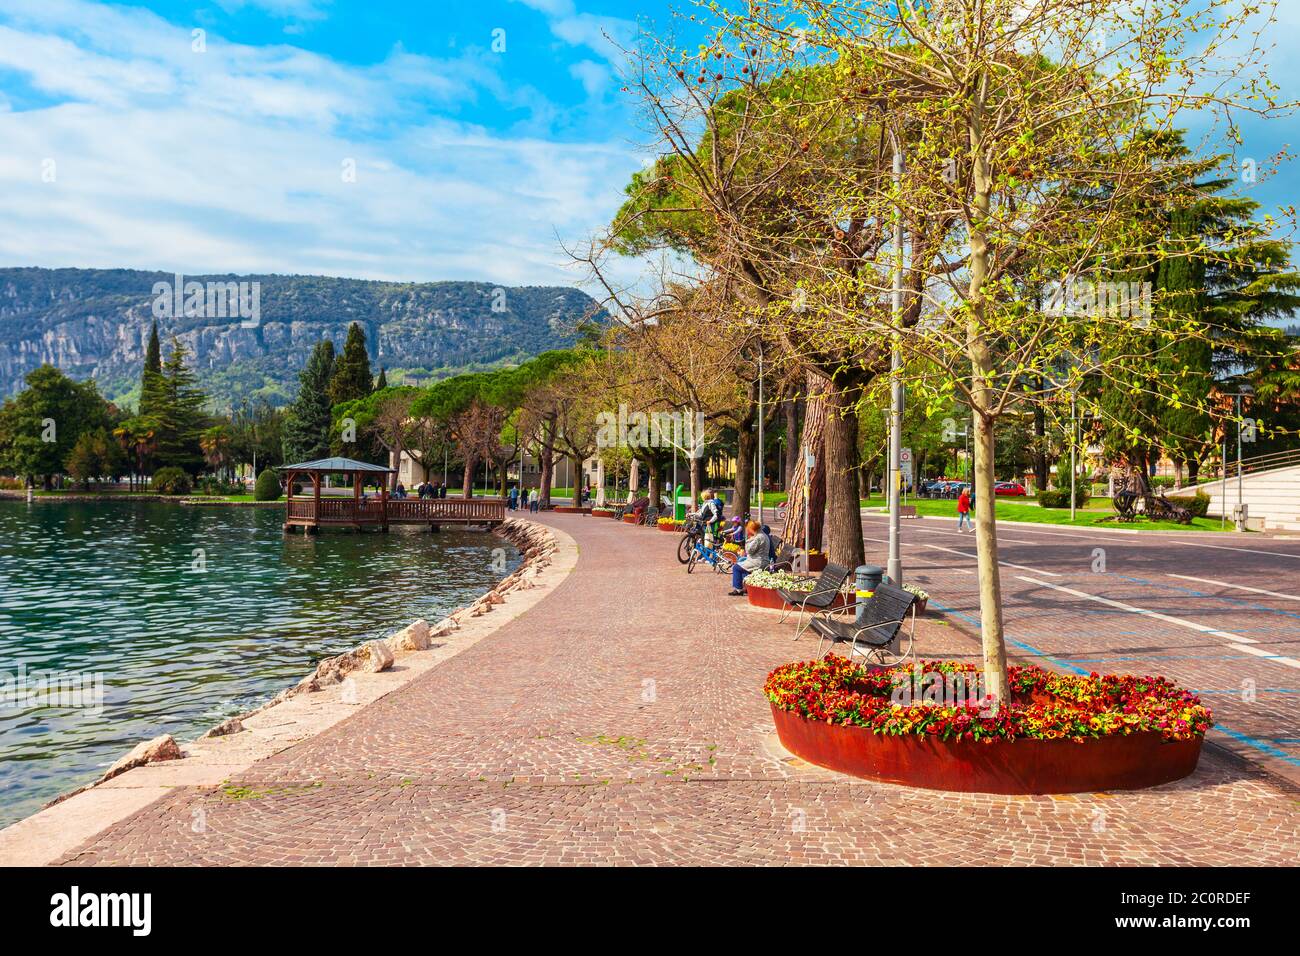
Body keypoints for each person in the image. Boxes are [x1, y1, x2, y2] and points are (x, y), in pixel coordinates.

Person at [729, 519, 771, 595]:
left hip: (758, 562)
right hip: (762, 560)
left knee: (736, 567)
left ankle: (738, 589)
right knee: (743, 567)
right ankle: (747, 587)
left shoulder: (758, 538)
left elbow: (749, 550)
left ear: (752, 529)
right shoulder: (763, 535)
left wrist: (748, 539)